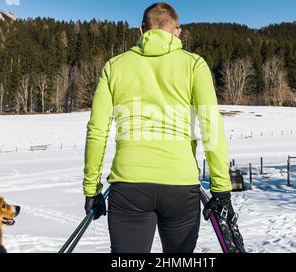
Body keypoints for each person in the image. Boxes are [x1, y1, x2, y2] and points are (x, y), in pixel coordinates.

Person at [83, 2, 234, 253]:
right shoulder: (194, 64)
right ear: (178, 31)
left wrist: (91, 189)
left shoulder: (114, 66)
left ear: (141, 31)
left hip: (129, 186)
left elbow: (97, 130)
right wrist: (221, 189)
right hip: (180, 186)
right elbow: (211, 127)